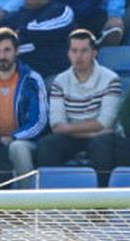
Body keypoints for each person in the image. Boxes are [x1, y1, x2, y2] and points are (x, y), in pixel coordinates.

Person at [39, 30, 124, 175]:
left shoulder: (111, 79)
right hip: (84, 136)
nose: (79, 56)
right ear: (68, 53)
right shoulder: (59, 81)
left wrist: (69, 128)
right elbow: (57, 125)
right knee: (47, 145)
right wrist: (92, 133)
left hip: (100, 138)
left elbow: (106, 123)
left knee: (103, 145)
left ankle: (103, 194)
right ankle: (52, 194)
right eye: (74, 51)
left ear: (94, 53)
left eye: (84, 51)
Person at [0, 26, 48, 179]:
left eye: (7, 50)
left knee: (17, 148)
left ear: (17, 51)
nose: (2, 56)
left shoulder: (32, 79)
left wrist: (13, 137)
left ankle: (27, 201)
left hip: (25, 140)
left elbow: (39, 121)